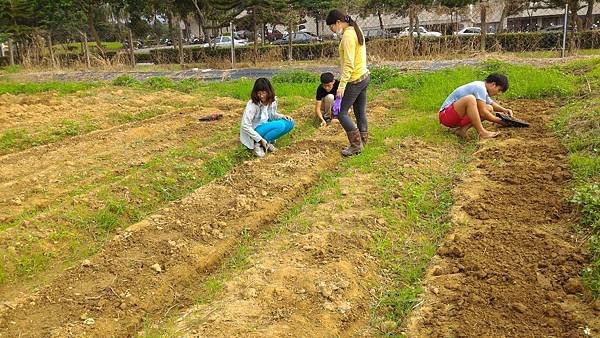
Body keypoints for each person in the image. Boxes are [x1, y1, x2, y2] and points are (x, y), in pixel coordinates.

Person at [326, 9, 370, 156]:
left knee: (340, 112)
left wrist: (342, 85)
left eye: (331, 26)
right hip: (363, 76)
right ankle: (363, 140)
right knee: (359, 111)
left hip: (354, 80)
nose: (332, 30)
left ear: (338, 22)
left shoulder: (348, 36)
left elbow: (349, 65)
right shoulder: (355, 30)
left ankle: (356, 145)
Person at [439, 73, 514, 139]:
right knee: (470, 99)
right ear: (493, 84)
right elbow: (482, 113)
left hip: (455, 116)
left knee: (489, 108)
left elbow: (491, 104)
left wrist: (504, 110)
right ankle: (482, 132)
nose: (498, 93)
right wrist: (499, 121)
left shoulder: (482, 88)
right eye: (499, 90)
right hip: (445, 116)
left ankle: (462, 130)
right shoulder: (480, 87)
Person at [240, 78, 295, 157]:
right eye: (259, 93)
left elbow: (272, 115)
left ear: (269, 91)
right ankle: (258, 143)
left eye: (264, 93)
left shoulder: (272, 100)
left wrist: (283, 116)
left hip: (265, 125)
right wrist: (260, 139)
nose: (261, 96)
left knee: (290, 123)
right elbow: (245, 125)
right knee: (280, 125)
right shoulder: (252, 104)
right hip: (254, 130)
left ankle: (267, 142)